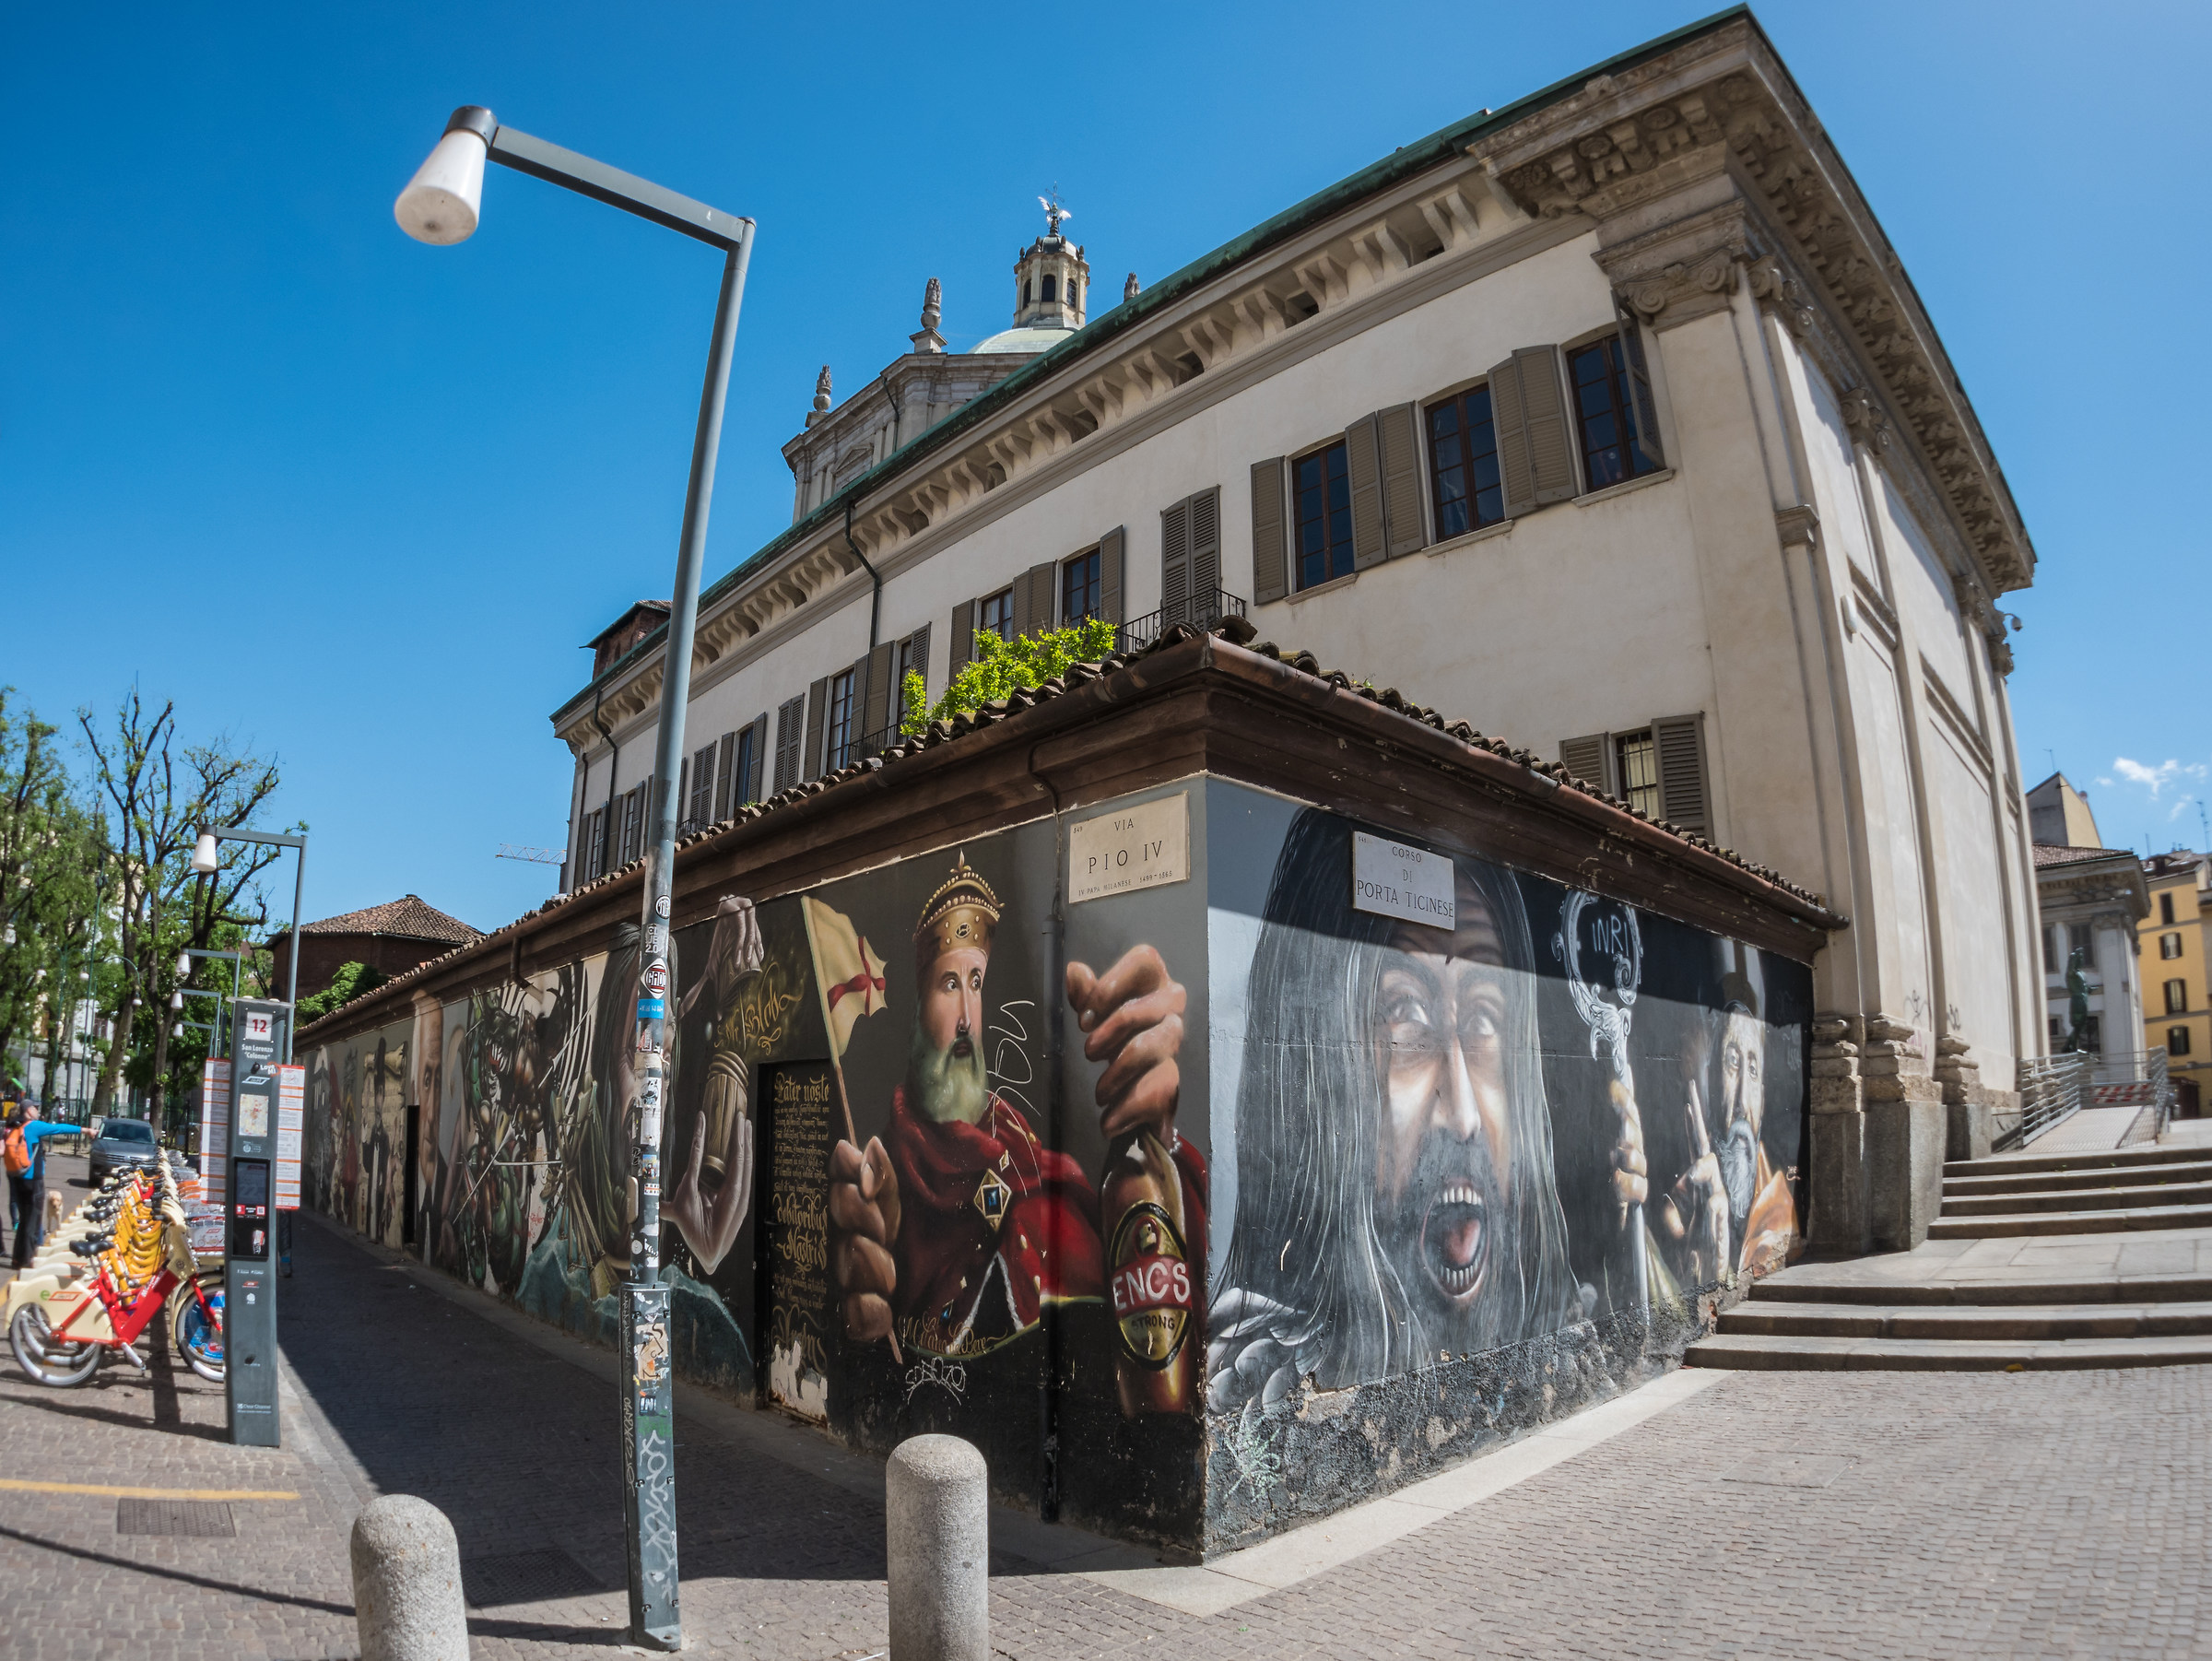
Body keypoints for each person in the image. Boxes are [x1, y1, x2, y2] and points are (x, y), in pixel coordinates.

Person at [1206, 809, 1583, 1420]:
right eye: (1406, 1014)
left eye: (1484, 1019)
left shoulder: (1568, 1340)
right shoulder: (1256, 1390)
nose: (1462, 1115)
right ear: (1309, 1072)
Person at [828, 854, 1202, 1361]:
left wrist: (1158, 1160)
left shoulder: (1021, 1146)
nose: (967, 1018)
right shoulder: (887, 1176)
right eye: (949, 985)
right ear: (916, 1012)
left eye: (976, 983)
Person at [6, 1101, 74, 1268]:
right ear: (29, 1111)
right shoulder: (34, 1126)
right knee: (33, 1221)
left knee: (23, 1220)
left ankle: (17, 1259)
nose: (37, 1111)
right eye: (35, 1108)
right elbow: (59, 1128)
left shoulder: (15, 1126)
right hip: (33, 1180)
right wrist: (85, 1130)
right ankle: (28, 1260)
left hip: (17, 1178)